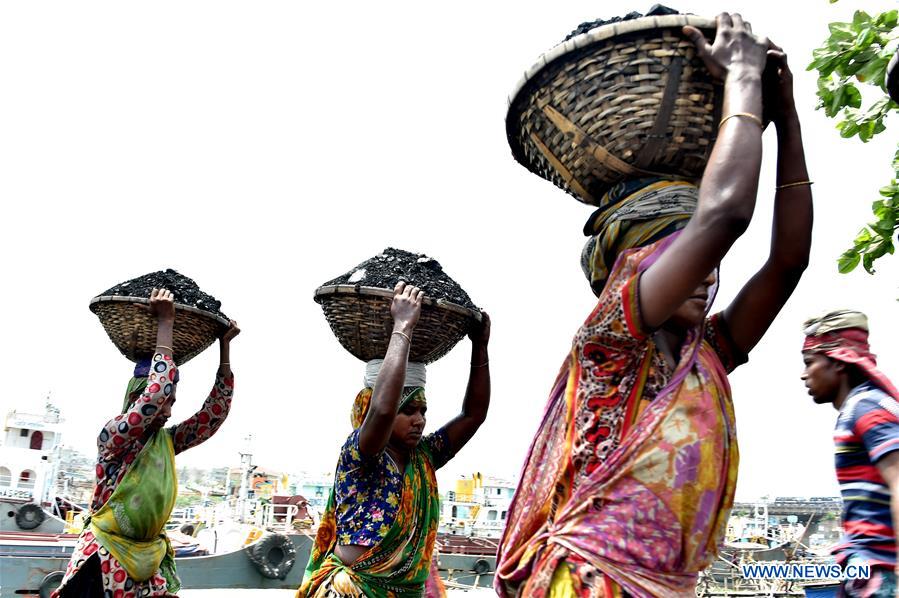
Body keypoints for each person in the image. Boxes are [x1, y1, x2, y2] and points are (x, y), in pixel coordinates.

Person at [496, 13, 814, 597]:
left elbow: (789, 262)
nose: (708, 271)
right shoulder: (613, 336)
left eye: (706, 258)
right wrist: (742, 78)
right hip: (592, 583)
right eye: (687, 252)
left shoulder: (708, 353)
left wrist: (785, 117)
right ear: (633, 263)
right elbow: (725, 217)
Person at [298, 281, 491, 597]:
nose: (419, 420)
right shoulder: (361, 452)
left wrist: (480, 347)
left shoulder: (424, 456)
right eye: (409, 411)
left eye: (423, 410)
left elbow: (473, 415)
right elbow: (383, 412)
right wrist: (402, 327)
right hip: (354, 591)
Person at [54, 288, 240, 597]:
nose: (169, 410)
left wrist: (225, 350)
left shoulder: (166, 441)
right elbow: (155, 396)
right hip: (103, 560)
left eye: (173, 403)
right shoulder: (115, 437)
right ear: (135, 398)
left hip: (147, 561)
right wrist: (165, 323)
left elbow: (213, 416)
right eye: (167, 402)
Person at [801, 310, 899, 598]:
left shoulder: (866, 407)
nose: (804, 374)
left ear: (839, 362)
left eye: (810, 363)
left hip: (878, 569)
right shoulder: (864, 406)